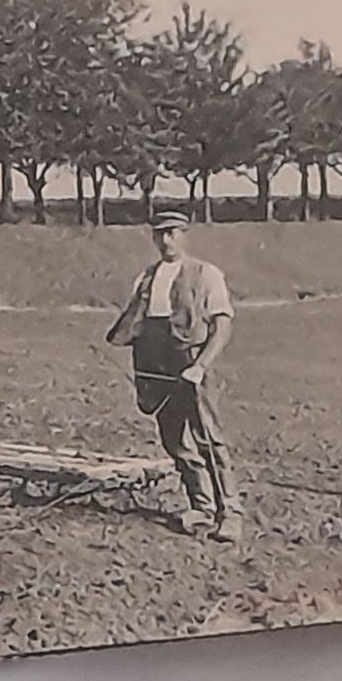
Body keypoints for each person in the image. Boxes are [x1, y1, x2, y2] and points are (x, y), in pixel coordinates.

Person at [105, 211, 243, 541]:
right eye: (160, 234)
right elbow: (132, 326)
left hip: (190, 364)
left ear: (184, 234)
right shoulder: (146, 278)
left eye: (172, 233)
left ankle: (231, 514)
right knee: (174, 441)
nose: (166, 240)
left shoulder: (206, 274)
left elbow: (222, 327)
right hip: (156, 366)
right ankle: (201, 506)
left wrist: (200, 366)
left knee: (208, 439)